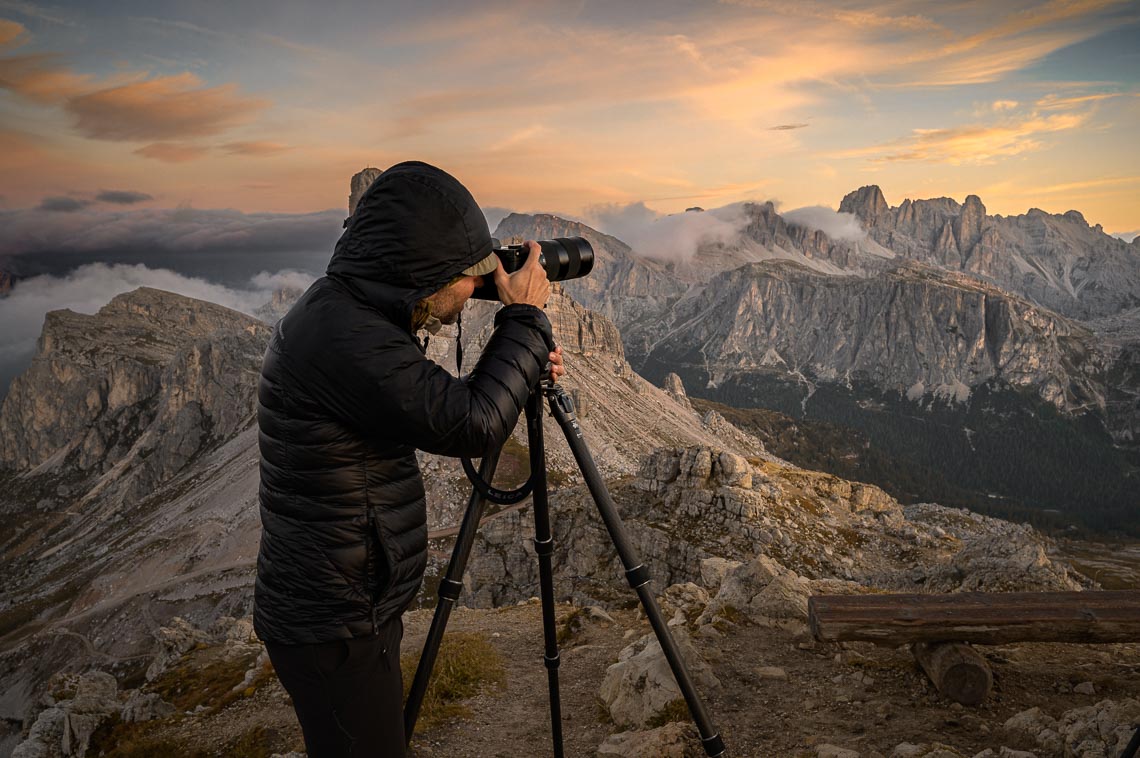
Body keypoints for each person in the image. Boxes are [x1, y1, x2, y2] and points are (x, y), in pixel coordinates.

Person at [253, 161, 564, 757]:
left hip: (347, 604)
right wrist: (523, 320)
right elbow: (473, 422)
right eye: (465, 278)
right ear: (418, 272)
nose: (473, 293)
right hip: (333, 625)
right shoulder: (344, 337)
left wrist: (519, 364)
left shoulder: (349, 311)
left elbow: (433, 398)